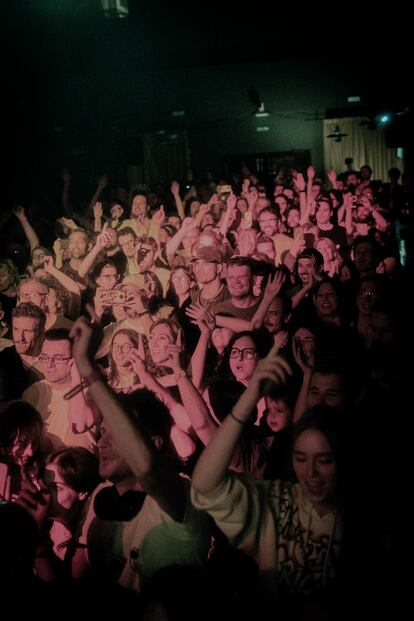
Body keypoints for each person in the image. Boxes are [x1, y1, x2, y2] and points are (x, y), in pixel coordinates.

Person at [191, 341, 344, 617]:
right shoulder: (279, 501)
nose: (310, 473)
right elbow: (205, 485)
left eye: (324, 460)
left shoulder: (364, 516)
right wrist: (250, 396)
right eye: (300, 459)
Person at [68, 316, 211, 592]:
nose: (103, 441)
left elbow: (146, 468)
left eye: (119, 431)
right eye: (104, 431)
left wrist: (87, 367)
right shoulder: (101, 496)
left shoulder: (182, 493)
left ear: (154, 442)